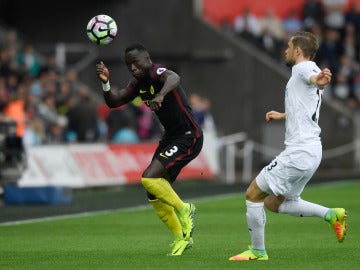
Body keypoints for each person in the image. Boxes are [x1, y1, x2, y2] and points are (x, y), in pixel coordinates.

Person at [229, 31, 347, 261]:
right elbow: (305, 105)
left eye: (289, 47)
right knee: (275, 203)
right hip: (311, 151)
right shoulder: (304, 72)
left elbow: (313, 78)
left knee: (253, 194)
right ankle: (332, 215)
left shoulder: (303, 68)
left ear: (298, 51)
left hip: (300, 151)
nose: (285, 50)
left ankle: (257, 251)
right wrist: (283, 115)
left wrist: (318, 80)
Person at [95, 43, 203, 256]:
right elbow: (114, 102)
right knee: (153, 191)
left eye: (135, 62)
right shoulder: (138, 84)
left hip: (188, 135)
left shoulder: (157, 72)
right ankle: (182, 238)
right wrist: (106, 84)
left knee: (148, 178)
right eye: (128, 64)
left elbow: (174, 78)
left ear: (147, 59)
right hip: (170, 138)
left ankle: (185, 209)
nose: (132, 67)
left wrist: (161, 95)